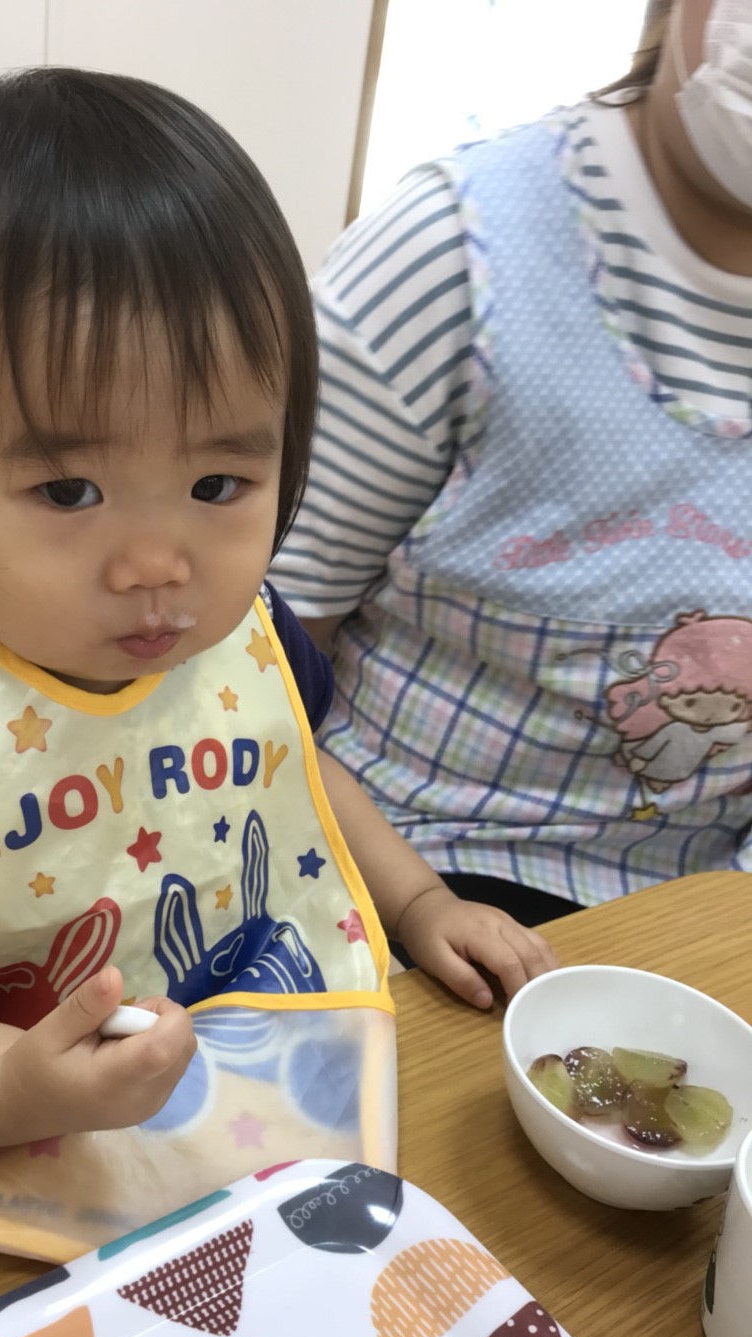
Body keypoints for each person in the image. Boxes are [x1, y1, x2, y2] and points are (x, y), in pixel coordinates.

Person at [0, 69, 556, 1154]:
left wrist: (421, 904)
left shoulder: (251, 638)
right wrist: (11, 1088)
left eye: (217, 484)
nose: (156, 565)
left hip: (261, 1073)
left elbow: (294, 769)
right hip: (24, 1131)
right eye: (67, 491)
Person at [271, 0, 752, 934]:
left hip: (707, 906)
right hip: (417, 871)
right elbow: (253, 659)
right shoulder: (451, 255)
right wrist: (412, 902)